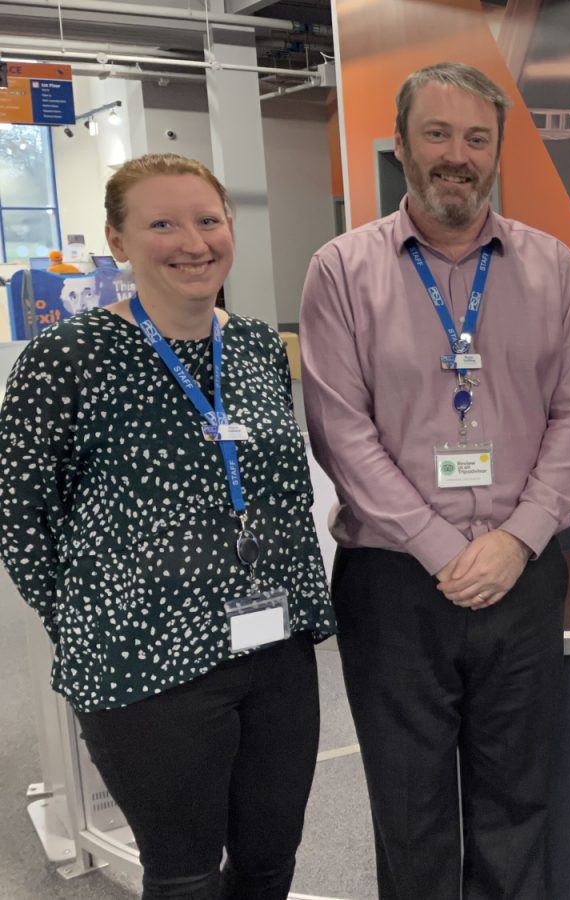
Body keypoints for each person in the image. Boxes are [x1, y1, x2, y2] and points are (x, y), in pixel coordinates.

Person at [0, 152, 335, 899]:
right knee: (184, 877)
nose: (193, 241)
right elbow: (21, 518)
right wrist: (98, 612)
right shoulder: (69, 358)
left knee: (269, 861)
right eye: (162, 224)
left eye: (208, 220)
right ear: (119, 242)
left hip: (273, 649)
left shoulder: (252, 345)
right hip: (146, 664)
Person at [299, 62, 570, 899]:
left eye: (476, 138)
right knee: (409, 808)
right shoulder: (341, 270)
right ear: (403, 145)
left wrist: (516, 541)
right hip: (394, 583)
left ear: (497, 151)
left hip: (522, 572)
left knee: (517, 801)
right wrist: (439, 547)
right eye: (438, 134)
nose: (457, 155)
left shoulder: (552, 268)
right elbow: (339, 429)